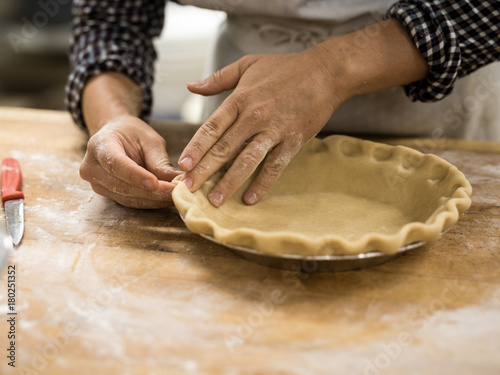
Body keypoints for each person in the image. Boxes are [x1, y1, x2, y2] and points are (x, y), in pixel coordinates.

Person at [65, 0, 500, 209]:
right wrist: (113, 118)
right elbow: (111, 23)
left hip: (427, 98)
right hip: (243, 104)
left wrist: (330, 69)